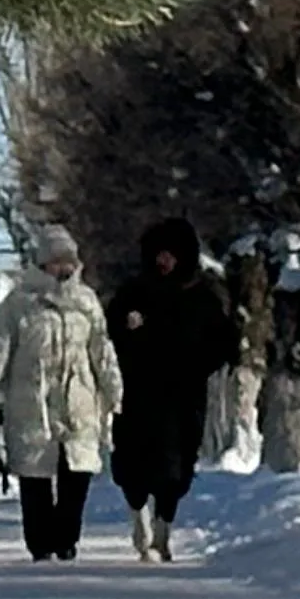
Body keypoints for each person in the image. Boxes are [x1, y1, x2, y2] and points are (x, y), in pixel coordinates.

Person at [0, 225, 122, 563]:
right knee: (35, 478)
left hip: (79, 403)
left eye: (69, 261)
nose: (65, 268)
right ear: (43, 264)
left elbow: (102, 349)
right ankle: (40, 543)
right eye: (57, 261)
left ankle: (67, 538)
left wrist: (113, 389)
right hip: (32, 404)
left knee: (78, 474)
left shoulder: (86, 303)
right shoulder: (18, 304)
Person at [108, 215, 238, 561]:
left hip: (183, 396)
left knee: (175, 469)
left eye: (171, 254)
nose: (164, 261)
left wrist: (201, 366)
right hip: (137, 393)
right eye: (158, 254)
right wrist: (128, 331)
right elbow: (109, 335)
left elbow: (225, 342)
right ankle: (140, 517)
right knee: (132, 466)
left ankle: (164, 528)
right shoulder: (133, 293)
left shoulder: (200, 297)